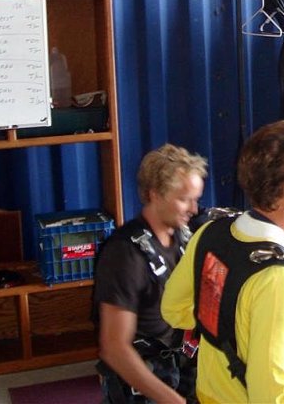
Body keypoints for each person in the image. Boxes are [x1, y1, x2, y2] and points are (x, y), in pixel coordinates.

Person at [161, 120, 284, 403]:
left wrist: (231, 320)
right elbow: (270, 397)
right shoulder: (280, 281)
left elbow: (173, 309)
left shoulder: (211, 232)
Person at [93, 143, 208, 404]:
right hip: (144, 379)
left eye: (196, 199)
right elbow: (114, 348)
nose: (194, 209)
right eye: (184, 199)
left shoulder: (184, 238)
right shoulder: (124, 254)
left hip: (182, 366)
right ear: (155, 195)